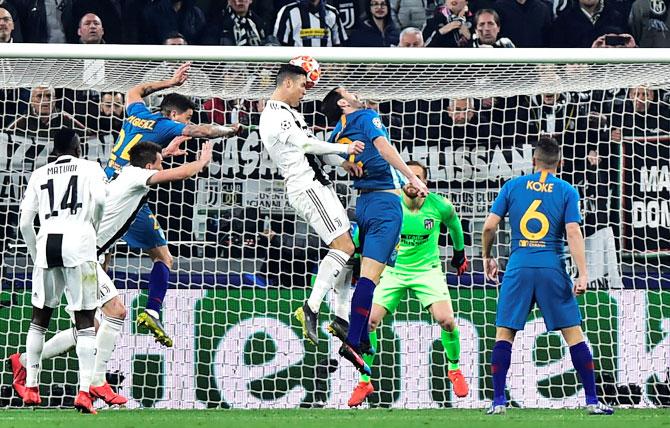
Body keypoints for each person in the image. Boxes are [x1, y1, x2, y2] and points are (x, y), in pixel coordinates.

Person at [11, 136, 215, 408]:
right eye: (161, 163)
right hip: (81, 251)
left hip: (76, 249)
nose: (162, 167)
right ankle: (94, 381)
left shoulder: (128, 172)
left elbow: (146, 163)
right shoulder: (135, 178)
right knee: (113, 313)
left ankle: (26, 362)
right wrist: (202, 160)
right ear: (150, 166)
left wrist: (163, 152)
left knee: (92, 324)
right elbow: (182, 174)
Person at [104, 62, 238, 347]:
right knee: (164, 258)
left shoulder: (137, 113)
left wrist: (170, 83)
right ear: (174, 114)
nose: (185, 124)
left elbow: (134, 91)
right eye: (185, 118)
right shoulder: (166, 125)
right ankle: (151, 310)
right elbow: (202, 132)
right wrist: (228, 131)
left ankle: (93, 311)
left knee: (103, 257)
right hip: (128, 197)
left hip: (104, 188)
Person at [480, 136, 614, 415]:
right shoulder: (566, 190)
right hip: (551, 266)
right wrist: (582, 273)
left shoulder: (513, 186)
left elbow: (489, 227)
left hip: (518, 265)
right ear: (560, 163)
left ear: (533, 161)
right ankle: (592, 401)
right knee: (574, 335)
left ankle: (498, 402)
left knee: (504, 334)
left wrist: (486, 256)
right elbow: (573, 231)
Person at [321, 86, 429, 374]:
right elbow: (384, 147)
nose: (356, 93)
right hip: (385, 207)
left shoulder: (337, 132)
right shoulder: (367, 116)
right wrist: (412, 178)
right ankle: (353, 340)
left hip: (364, 205)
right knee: (370, 277)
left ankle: (362, 337)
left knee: (370, 276)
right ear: (344, 103)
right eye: (349, 92)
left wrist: (344, 162)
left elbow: (324, 155)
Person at [347, 160, 470, 407]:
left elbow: (455, 226)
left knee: (446, 320)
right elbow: (364, 230)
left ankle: (454, 368)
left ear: (424, 182)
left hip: (427, 270)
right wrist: (358, 260)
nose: (412, 182)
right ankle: (364, 380)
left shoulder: (440, 205)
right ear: (402, 180)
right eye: (408, 177)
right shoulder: (390, 206)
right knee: (368, 321)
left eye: (417, 177)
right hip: (393, 270)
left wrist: (459, 255)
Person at [259, 64, 364, 347]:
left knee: (347, 250)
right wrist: (344, 148)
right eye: (304, 86)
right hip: (307, 186)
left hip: (319, 183)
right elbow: (306, 147)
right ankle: (311, 307)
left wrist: (342, 162)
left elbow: (313, 151)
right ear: (289, 84)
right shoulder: (272, 115)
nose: (306, 92)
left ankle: (341, 318)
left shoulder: (291, 114)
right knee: (343, 247)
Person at [17, 128, 107, 414]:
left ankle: (31, 386)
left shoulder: (39, 174)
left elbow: (24, 223)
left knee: (40, 318)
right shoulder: (90, 167)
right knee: (85, 319)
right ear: (77, 146)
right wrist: (93, 226)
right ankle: (83, 393)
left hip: (47, 243)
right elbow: (102, 201)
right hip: (78, 243)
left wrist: (35, 253)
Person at [6, 86, 87, 138]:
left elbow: (89, 135)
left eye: (49, 96)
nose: (45, 100)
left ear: (55, 100)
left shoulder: (65, 118)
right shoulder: (23, 120)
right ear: (32, 101)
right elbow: (5, 137)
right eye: (39, 96)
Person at [274, 0, 348, 46]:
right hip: (297, 68)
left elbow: (339, 44)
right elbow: (278, 43)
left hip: (325, 67)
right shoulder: (288, 11)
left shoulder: (332, 12)